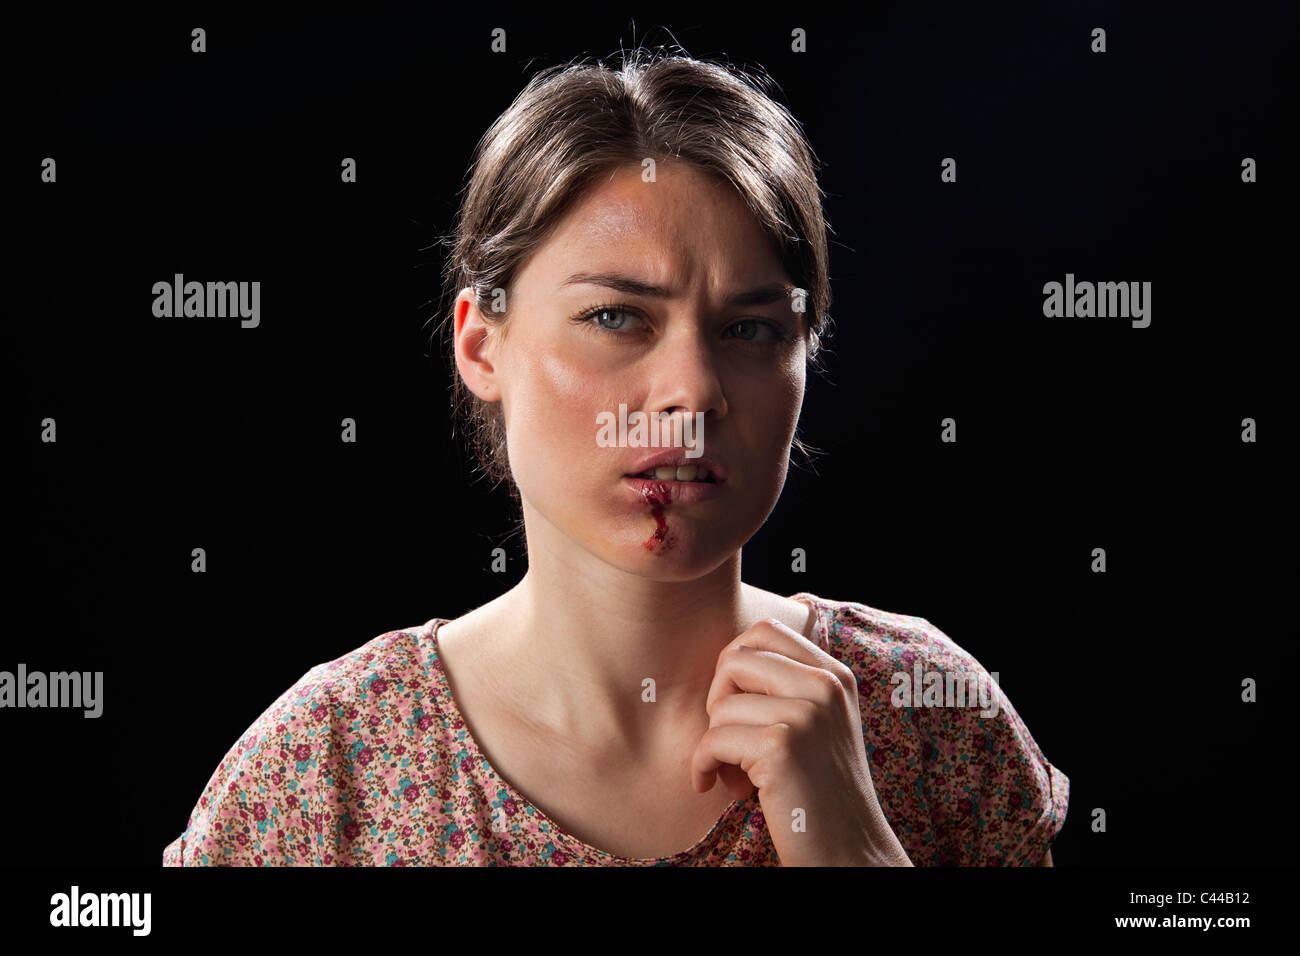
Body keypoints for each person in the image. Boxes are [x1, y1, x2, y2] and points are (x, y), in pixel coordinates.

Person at [163, 47, 1067, 867]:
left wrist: (854, 848)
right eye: (615, 317)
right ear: (482, 346)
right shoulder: (323, 775)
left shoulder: (933, 713)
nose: (692, 393)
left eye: (751, 329)